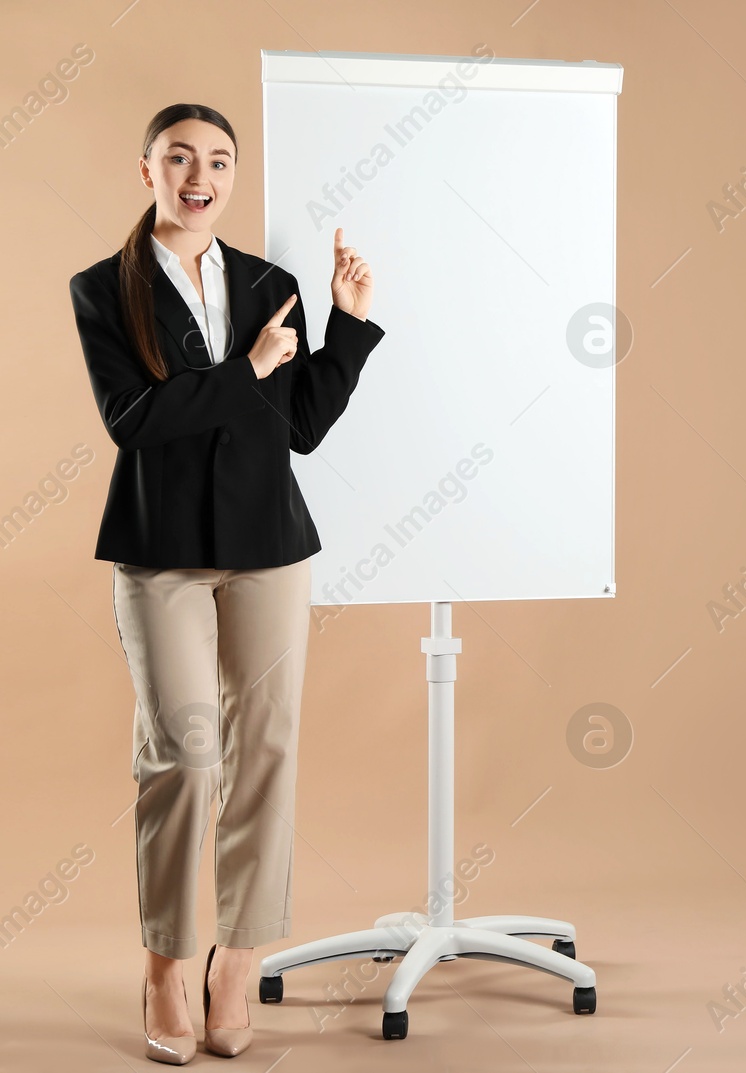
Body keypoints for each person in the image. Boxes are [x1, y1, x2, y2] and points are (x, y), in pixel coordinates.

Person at [67, 103, 384, 1064]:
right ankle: (166, 960)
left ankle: (237, 959)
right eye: (179, 158)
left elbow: (296, 428)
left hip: (268, 546)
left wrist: (347, 328)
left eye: (218, 160)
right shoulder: (102, 290)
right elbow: (135, 419)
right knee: (185, 751)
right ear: (147, 169)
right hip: (160, 544)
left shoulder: (266, 281)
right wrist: (244, 369)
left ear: (233, 175)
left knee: (269, 748)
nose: (199, 175)